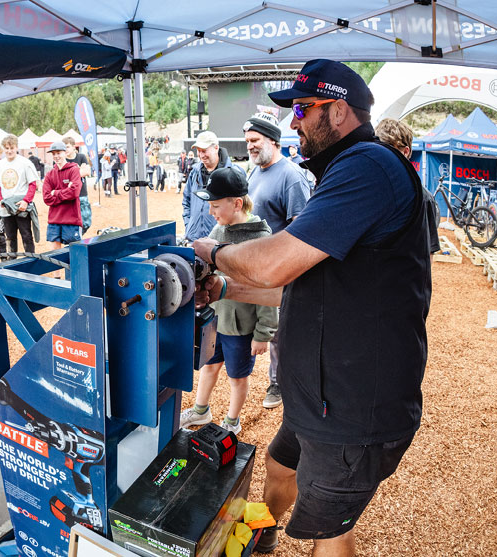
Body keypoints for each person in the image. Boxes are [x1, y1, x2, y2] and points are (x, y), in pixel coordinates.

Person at [192, 59, 430, 556]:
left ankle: (281, 535)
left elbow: (273, 264)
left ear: (338, 111)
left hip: (354, 408)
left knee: (330, 533)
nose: (293, 120)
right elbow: (307, 288)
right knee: (280, 466)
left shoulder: (368, 167)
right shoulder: (343, 170)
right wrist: (226, 290)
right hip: (319, 396)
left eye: (303, 108)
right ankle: (262, 536)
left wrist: (212, 252)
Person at [180, 168, 276, 435]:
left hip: (241, 328)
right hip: (216, 320)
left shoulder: (260, 239)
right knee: (209, 366)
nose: (211, 212)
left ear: (236, 203)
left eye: (215, 205)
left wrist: (263, 334)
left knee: (237, 377)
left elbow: (268, 291)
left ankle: (233, 422)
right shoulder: (219, 229)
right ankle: (201, 410)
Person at [242, 113, 313, 410]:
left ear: (272, 140)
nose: (250, 146)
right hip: (254, 267)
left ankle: (279, 383)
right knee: (261, 325)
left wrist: (283, 267)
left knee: (279, 331)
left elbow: (301, 229)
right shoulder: (254, 173)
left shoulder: (291, 176)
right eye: (247, 141)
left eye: (255, 140)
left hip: (280, 270)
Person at [375, 118, 441, 258]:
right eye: (378, 150)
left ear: (405, 152)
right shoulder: (365, 191)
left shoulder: (424, 199)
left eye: (389, 151)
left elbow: (428, 253)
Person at [183, 131, 244, 242]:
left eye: (204, 150)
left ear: (216, 148)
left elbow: (242, 209)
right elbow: (186, 201)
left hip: (221, 243)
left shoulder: (234, 173)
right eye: (198, 151)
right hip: (194, 240)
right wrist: (189, 227)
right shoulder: (194, 172)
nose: (201, 155)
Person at [0, 134, 40, 256]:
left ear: (16, 147)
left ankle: (31, 260)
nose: (9, 151)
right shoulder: (0, 165)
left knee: (26, 235)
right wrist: (0, 200)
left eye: (12, 148)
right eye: (7, 148)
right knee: (10, 237)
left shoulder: (25, 163)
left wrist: (26, 201)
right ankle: (12, 261)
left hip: (21, 206)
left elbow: (32, 184)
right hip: (6, 207)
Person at [42, 141, 83, 251]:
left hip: (71, 219)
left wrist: (55, 192)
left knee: (75, 252)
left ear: (65, 153)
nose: (56, 156)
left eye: (58, 153)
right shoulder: (50, 174)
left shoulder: (74, 169)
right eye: (53, 154)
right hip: (54, 220)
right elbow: (46, 198)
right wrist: (66, 191)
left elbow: (74, 192)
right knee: (54, 254)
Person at [62, 137, 92, 234]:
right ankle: (75, 238)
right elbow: (63, 176)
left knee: (86, 222)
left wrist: (72, 173)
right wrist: (79, 170)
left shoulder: (81, 157)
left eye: (67, 147)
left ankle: (78, 236)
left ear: (73, 147)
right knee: (70, 222)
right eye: (64, 147)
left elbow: (87, 172)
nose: (65, 150)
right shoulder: (62, 160)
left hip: (82, 193)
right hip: (68, 195)